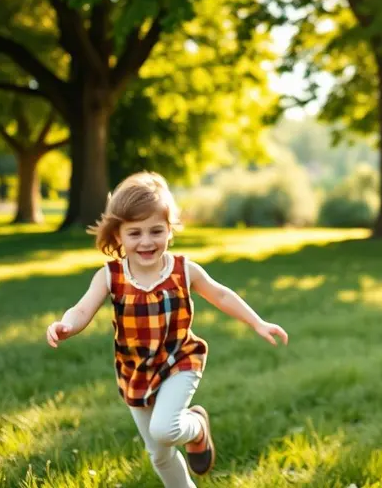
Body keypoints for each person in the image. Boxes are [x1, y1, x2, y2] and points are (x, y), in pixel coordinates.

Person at [45, 172, 289, 488]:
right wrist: (66, 325)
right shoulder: (110, 276)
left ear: (169, 231)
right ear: (118, 235)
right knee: (159, 454)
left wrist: (257, 321)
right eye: (134, 233)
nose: (146, 241)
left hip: (179, 362)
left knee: (165, 429)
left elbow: (220, 294)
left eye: (156, 231)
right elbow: (81, 310)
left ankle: (197, 427)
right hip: (136, 371)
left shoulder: (183, 269)